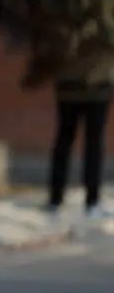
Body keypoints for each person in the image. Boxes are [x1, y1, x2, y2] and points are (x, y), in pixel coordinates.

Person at [47, 61, 114, 218]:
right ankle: (91, 202)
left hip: (72, 85)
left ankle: (56, 200)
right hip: (95, 84)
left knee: (65, 140)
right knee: (92, 144)